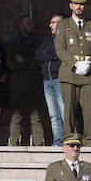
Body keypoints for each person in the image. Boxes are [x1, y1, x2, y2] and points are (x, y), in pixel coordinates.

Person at [55, 0, 91, 146]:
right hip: (70, 73)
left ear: (85, 6)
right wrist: (75, 64)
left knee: (89, 111)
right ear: (71, 6)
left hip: (89, 74)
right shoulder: (63, 25)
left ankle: (89, 141)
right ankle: (68, 141)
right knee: (69, 110)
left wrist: (90, 63)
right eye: (76, 4)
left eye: (81, 4)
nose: (79, 7)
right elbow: (60, 49)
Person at [6, 15, 47, 146]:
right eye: (28, 23)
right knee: (16, 117)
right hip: (18, 85)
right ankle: (13, 145)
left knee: (36, 117)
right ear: (21, 25)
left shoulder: (38, 43)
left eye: (31, 23)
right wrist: (30, 64)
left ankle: (38, 145)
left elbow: (40, 61)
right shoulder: (12, 44)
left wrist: (24, 60)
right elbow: (11, 64)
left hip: (34, 84)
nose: (31, 25)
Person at [36, 14, 65, 145]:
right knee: (53, 114)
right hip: (47, 80)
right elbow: (38, 54)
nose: (50, 25)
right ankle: (57, 141)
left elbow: (60, 53)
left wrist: (49, 53)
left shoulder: (66, 39)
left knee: (64, 112)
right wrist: (53, 55)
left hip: (60, 79)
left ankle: (70, 139)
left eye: (53, 22)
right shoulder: (47, 40)